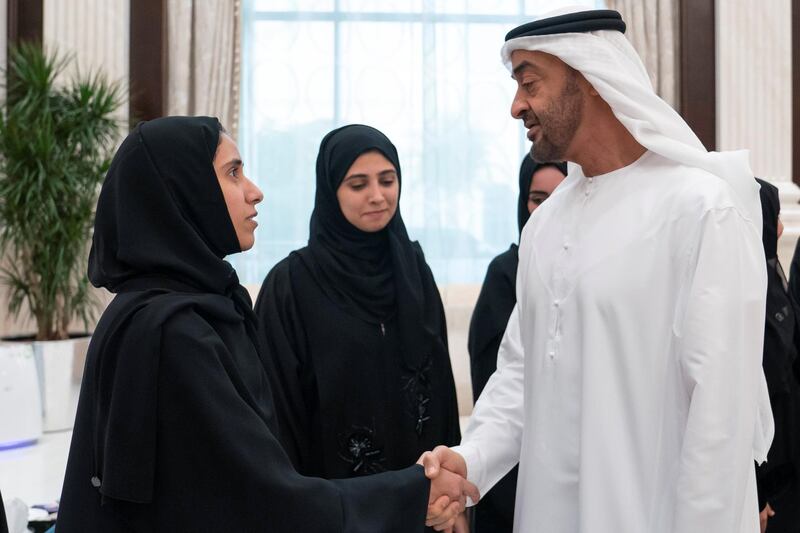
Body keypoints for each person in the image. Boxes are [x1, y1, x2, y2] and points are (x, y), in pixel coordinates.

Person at [423, 7, 774, 533]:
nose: (516, 106)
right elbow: (523, 374)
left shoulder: (701, 209)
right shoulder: (547, 224)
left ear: (587, 79)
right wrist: (470, 458)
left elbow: (719, 421)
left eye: (530, 84)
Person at [55, 116, 477, 532]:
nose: (255, 192)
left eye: (387, 180)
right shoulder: (174, 332)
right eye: (233, 173)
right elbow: (263, 496)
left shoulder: (189, 310)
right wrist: (413, 494)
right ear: (183, 191)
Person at [254, 125, 462, 526]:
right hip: (333, 509)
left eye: (388, 180)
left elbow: (441, 390)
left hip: (422, 501)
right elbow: (277, 409)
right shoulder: (292, 284)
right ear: (331, 190)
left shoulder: (413, 270)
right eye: (357, 184)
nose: (377, 196)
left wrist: (453, 496)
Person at [467, 155, 566, 532]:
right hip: (509, 464)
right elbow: (496, 376)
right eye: (537, 198)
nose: (548, 210)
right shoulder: (506, 272)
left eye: (559, 196)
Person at [755, 179, 800, 533]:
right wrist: (757, 492)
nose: (781, 228)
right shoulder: (749, 294)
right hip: (769, 467)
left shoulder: (771, 278)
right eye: (776, 217)